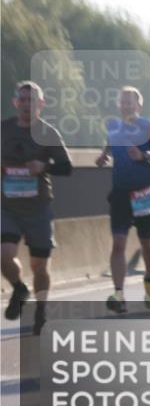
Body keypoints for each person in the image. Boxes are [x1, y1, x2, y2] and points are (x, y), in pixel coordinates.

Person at [2, 81, 72, 335]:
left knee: (39, 266)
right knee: (4, 254)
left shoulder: (48, 133)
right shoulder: (4, 129)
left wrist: (44, 167)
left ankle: (41, 309)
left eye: (31, 101)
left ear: (40, 105)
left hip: (38, 207)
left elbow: (67, 167)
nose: (25, 105)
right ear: (15, 103)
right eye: (22, 100)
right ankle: (20, 289)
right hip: (7, 206)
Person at [96, 86, 150, 314]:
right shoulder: (113, 127)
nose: (127, 105)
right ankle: (119, 294)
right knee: (118, 243)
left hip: (144, 193)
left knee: (146, 241)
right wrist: (104, 155)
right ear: (119, 105)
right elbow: (111, 145)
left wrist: (144, 155)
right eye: (123, 102)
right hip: (120, 193)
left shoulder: (149, 127)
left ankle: (148, 278)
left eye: (131, 102)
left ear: (139, 105)